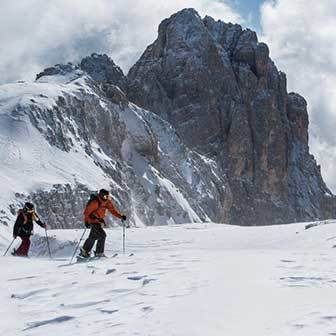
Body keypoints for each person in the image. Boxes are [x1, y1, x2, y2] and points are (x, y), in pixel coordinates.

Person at [79, 189, 126, 258]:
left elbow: (113, 210)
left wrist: (121, 216)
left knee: (93, 237)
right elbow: (87, 212)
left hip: (98, 221)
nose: (106, 198)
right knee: (102, 235)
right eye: (105, 196)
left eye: (107, 196)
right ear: (101, 195)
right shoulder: (95, 202)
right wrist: (86, 221)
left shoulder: (107, 202)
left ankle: (85, 251)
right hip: (93, 220)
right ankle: (99, 253)